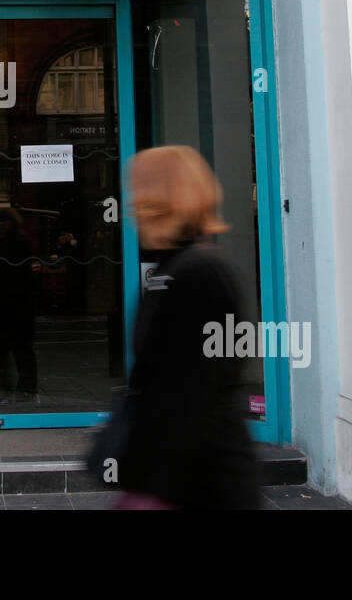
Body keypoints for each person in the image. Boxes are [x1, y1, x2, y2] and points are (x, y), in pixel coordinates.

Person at [109, 145, 258, 510]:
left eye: (139, 190)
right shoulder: (174, 267)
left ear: (161, 197)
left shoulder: (200, 273)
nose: (131, 204)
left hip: (200, 482)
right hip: (180, 476)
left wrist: (155, 484)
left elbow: (199, 391)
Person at [0, 208, 38, 403]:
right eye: (0, 220)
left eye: (5, 220)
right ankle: (24, 388)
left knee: (15, 348)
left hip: (15, 305)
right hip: (11, 305)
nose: (1, 224)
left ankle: (23, 388)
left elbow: (11, 278)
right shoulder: (5, 243)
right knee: (16, 348)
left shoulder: (14, 244)